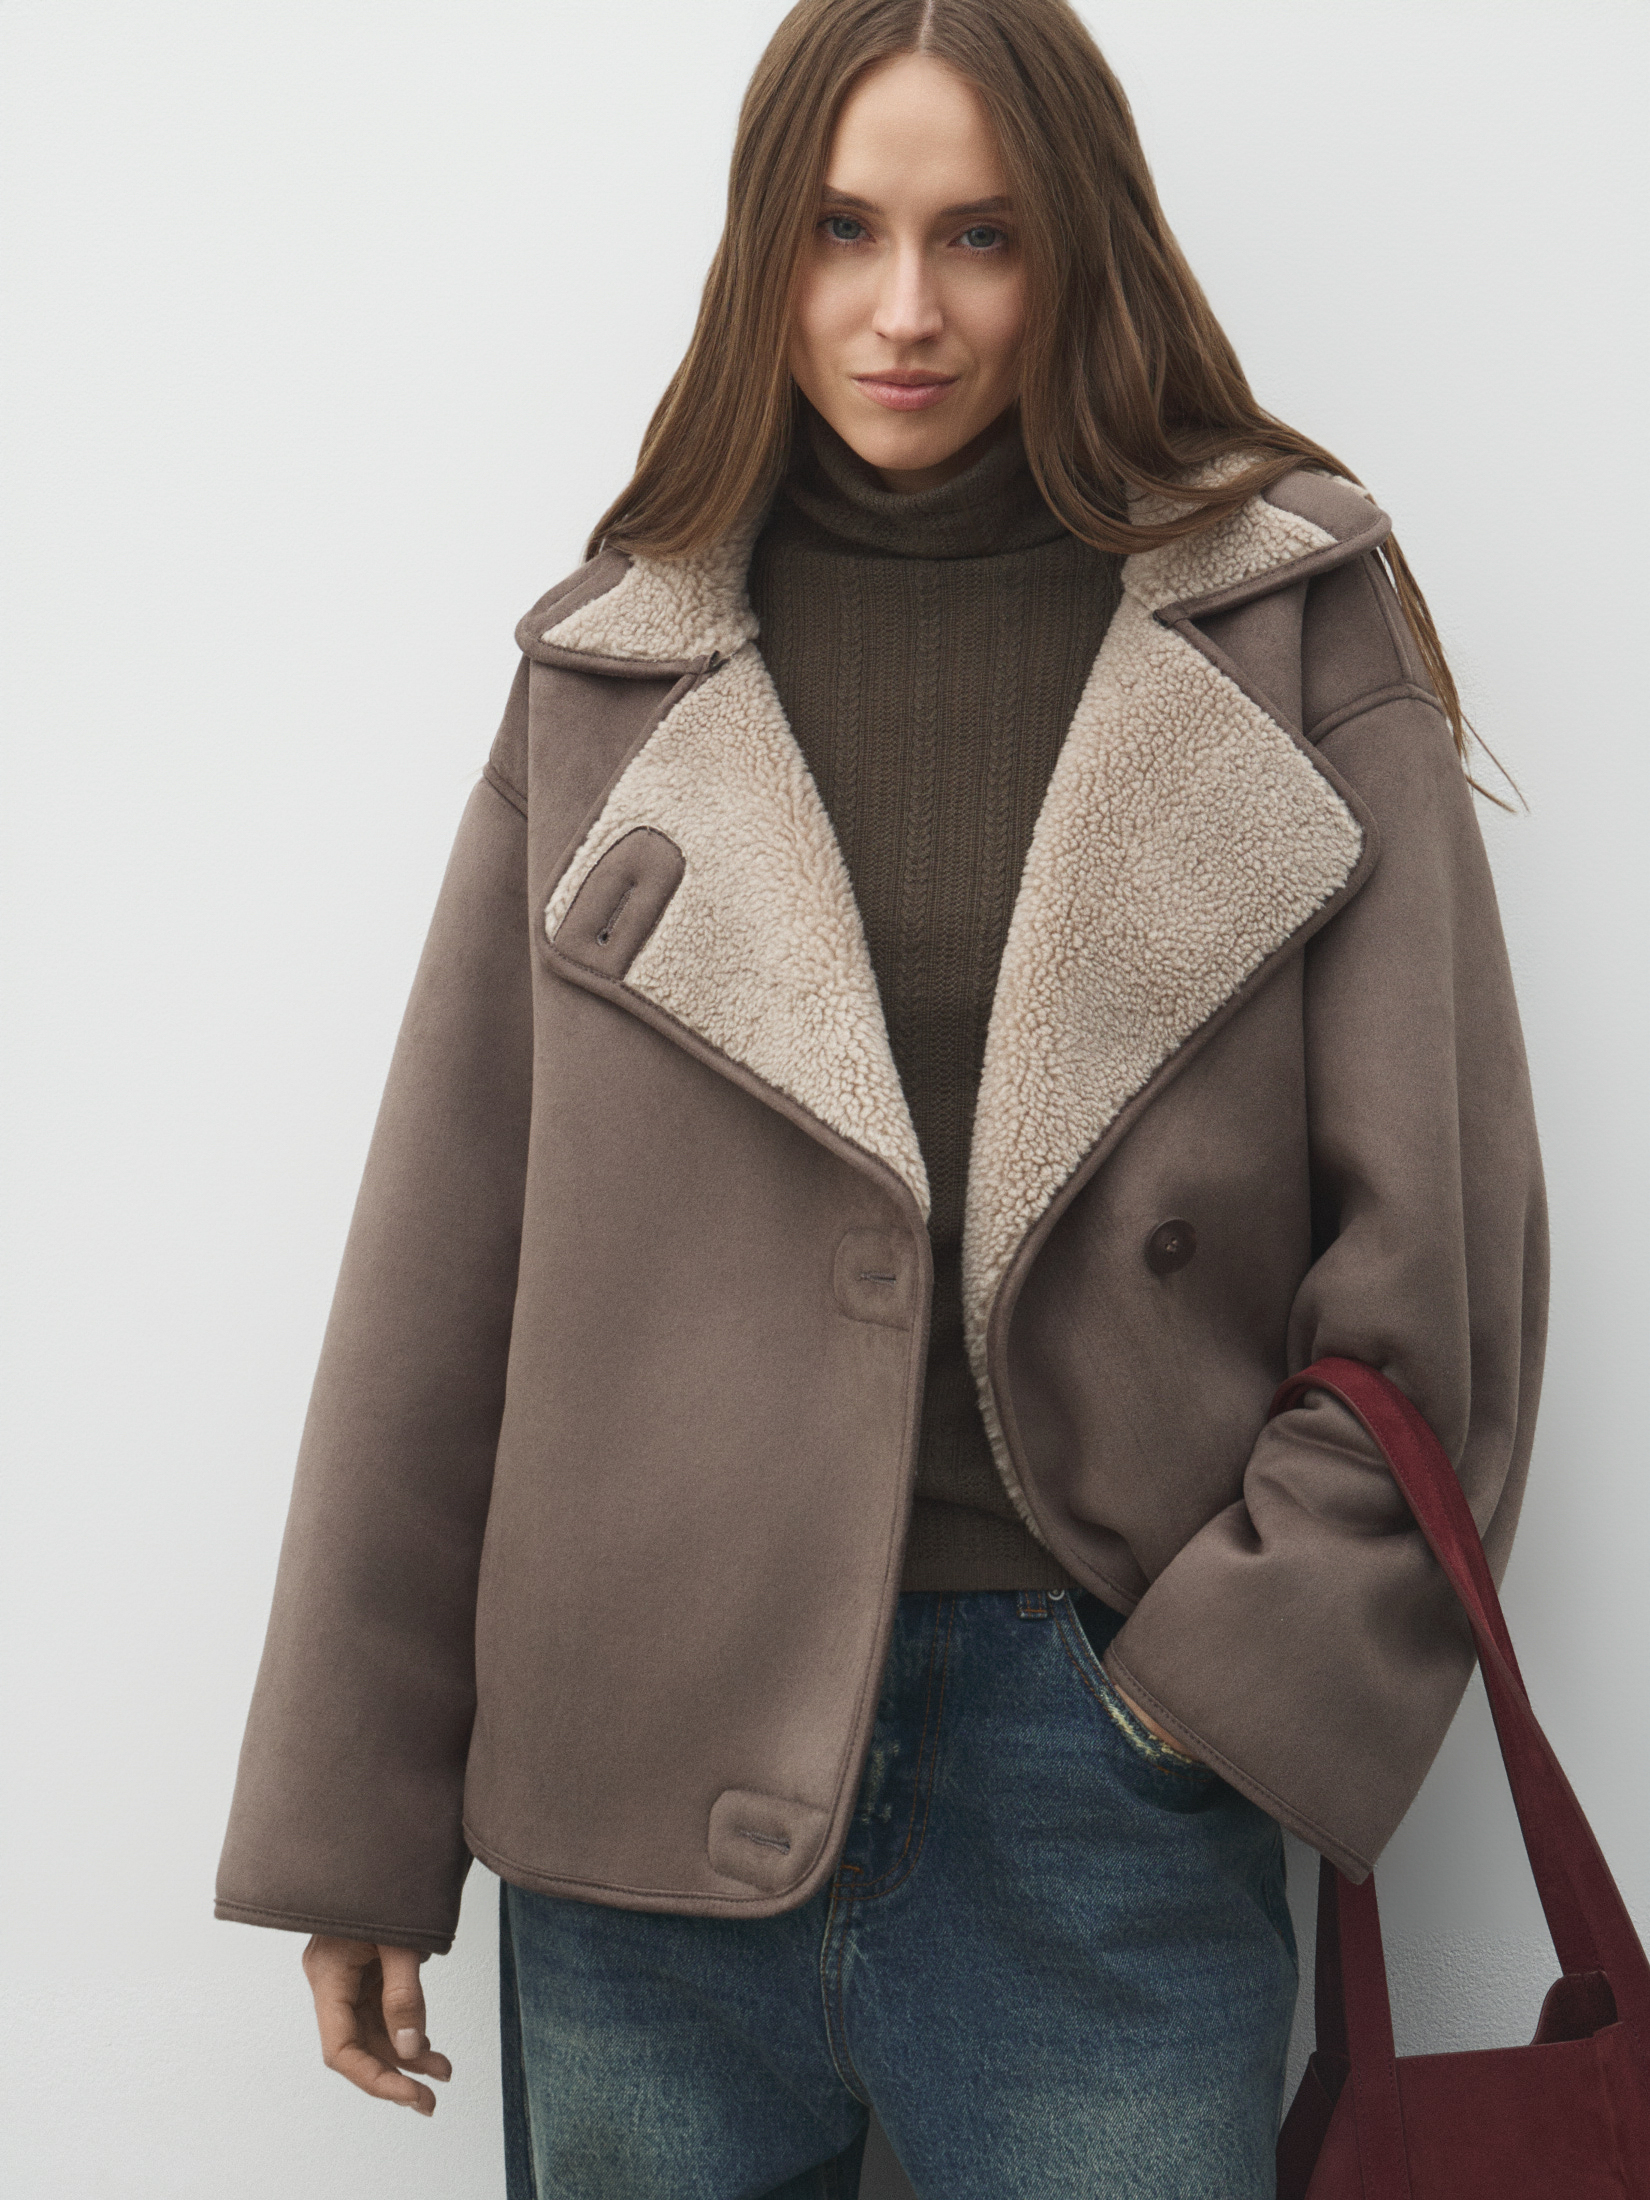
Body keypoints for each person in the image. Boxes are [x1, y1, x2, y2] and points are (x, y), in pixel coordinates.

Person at [214, 3, 1547, 2194]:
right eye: (843, 229)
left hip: (1099, 1784)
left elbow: (1440, 1263)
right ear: (765, 245)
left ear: (1078, 247)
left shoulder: (1287, 637)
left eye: (978, 235)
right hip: (632, 1786)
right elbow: (443, 1278)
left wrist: (1201, 1698)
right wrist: (355, 1819)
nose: (902, 308)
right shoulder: (612, 667)